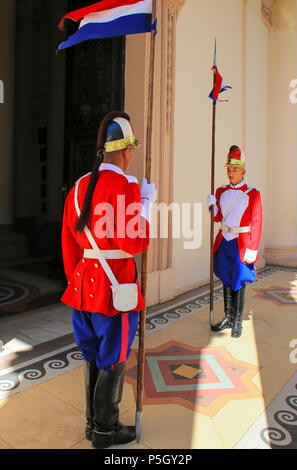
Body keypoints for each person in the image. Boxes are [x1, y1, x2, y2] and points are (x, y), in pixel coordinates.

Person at [61, 111, 157, 449]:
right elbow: (136, 242)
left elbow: (69, 244)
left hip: (84, 285)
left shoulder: (78, 187)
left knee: (91, 355)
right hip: (115, 288)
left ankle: (92, 423)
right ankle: (105, 429)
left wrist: (78, 281)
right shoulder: (127, 186)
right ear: (126, 151)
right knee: (113, 357)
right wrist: (145, 204)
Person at [207, 145, 262, 338]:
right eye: (229, 169)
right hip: (225, 240)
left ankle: (237, 321)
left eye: (235, 170)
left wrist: (252, 249)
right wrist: (213, 205)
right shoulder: (221, 191)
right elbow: (218, 218)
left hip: (242, 242)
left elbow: (256, 222)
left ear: (243, 170)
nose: (231, 173)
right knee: (226, 278)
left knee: (239, 280)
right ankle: (228, 317)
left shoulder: (253, 193)